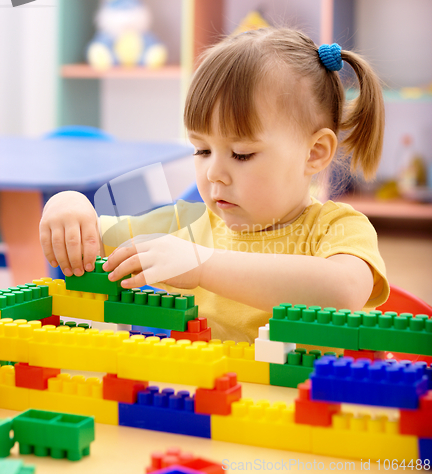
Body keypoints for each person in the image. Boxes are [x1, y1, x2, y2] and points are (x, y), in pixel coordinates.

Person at [40, 27, 389, 343]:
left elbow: (343, 290)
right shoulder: (186, 225)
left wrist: (202, 265)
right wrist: (68, 207)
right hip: (209, 406)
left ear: (314, 153)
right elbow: (92, 240)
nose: (213, 173)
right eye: (202, 150)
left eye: (240, 154)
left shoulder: (337, 228)